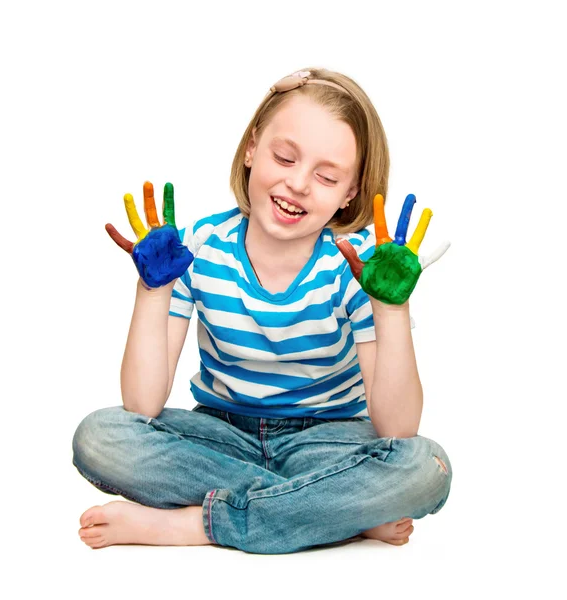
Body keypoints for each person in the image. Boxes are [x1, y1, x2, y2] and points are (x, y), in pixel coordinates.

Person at [72, 67, 452, 554]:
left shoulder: (359, 267)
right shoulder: (198, 248)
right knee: (100, 437)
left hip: (327, 441)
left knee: (426, 466)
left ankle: (195, 526)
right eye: (284, 157)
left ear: (350, 192)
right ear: (252, 149)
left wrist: (390, 307)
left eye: (327, 175)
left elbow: (397, 431)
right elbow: (142, 405)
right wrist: (152, 290)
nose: (297, 183)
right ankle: (332, 512)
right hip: (218, 437)